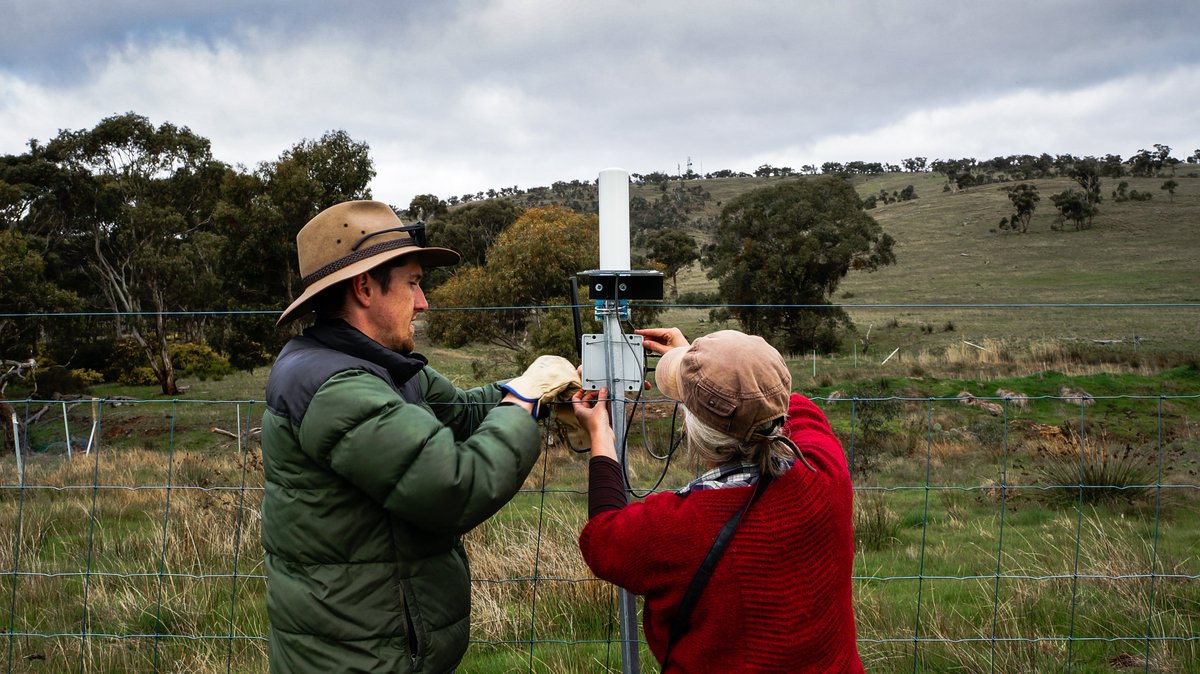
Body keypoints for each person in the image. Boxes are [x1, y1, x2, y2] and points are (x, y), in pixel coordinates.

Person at [261, 200, 580, 673]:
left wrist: (538, 384)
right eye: (412, 284)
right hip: (355, 658)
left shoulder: (380, 366)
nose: (424, 301)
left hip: (380, 646)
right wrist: (523, 404)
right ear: (365, 287)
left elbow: (463, 412)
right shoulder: (339, 388)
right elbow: (453, 486)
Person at [572, 327, 864, 673]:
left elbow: (603, 541)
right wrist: (701, 362)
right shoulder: (824, 469)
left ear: (694, 426)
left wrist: (600, 435)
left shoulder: (678, 528)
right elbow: (783, 403)